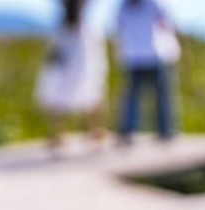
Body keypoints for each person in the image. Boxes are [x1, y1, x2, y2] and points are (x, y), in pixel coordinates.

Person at [35, 0, 108, 149]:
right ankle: (91, 130)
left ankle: (59, 133)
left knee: (68, 92)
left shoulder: (65, 25)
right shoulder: (81, 23)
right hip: (78, 46)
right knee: (87, 88)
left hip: (73, 46)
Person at [116, 0, 181, 143]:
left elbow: (119, 27)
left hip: (134, 55)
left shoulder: (124, 5)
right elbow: (167, 25)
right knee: (161, 95)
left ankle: (128, 130)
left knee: (133, 96)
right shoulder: (155, 3)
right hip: (154, 54)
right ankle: (165, 130)